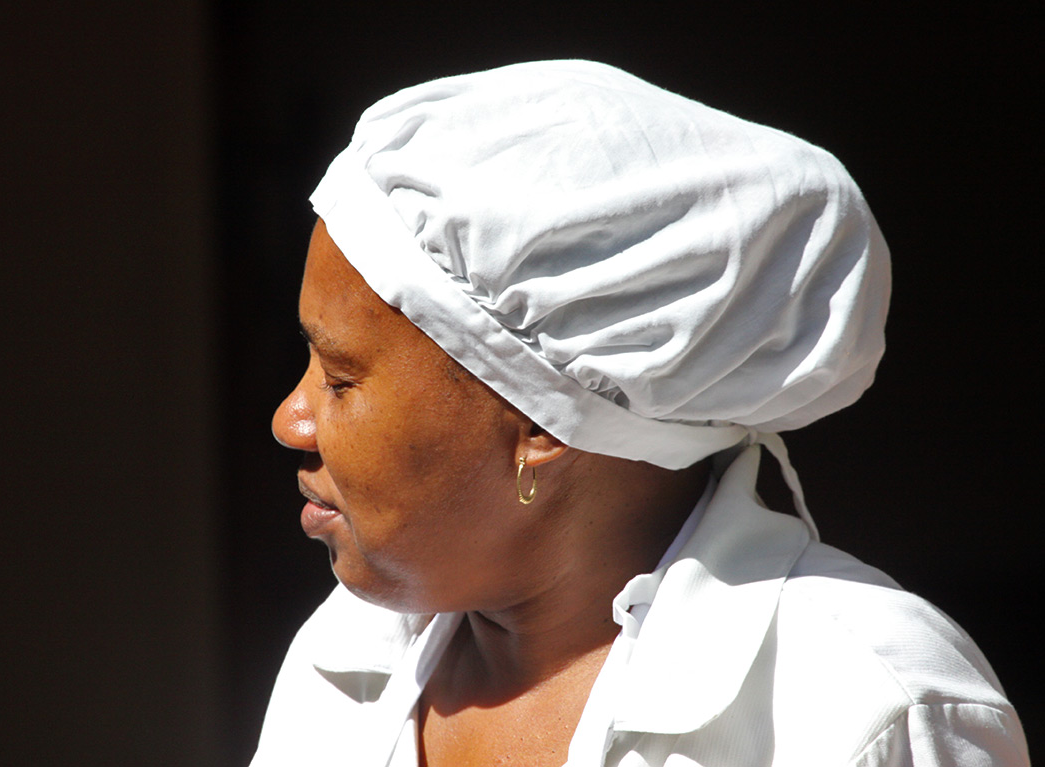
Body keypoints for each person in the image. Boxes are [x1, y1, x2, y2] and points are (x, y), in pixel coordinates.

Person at [250, 61, 1028, 766]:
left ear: (538, 423)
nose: (291, 420)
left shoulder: (864, 705)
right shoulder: (346, 656)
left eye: (340, 379)